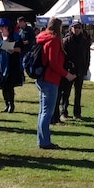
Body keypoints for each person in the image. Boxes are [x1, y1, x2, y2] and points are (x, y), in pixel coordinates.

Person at [35, 18, 76, 150]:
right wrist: (67, 74)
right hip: (50, 79)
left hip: (42, 78)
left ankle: (42, 139)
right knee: (47, 111)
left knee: (43, 111)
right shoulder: (53, 40)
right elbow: (54, 63)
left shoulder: (43, 37)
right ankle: (45, 141)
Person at [60, 21, 91, 120]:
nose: (77, 29)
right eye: (75, 27)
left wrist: (86, 68)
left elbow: (87, 56)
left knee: (78, 93)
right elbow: (63, 55)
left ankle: (77, 113)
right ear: (71, 28)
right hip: (69, 70)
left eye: (79, 27)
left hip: (80, 69)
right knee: (66, 92)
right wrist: (66, 67)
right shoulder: (67, 40)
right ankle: (64, 112)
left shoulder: (84, 41)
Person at [0, 18, 22, 113]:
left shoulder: (15, 36)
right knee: (3, 85)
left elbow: (20, 48)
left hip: (12, 64)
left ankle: (11, 105)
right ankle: (6, 104)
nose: (0, 28)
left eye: (2, 26)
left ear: (7, 27)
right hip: (1, 63)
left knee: (10, 85)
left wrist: (12, 48)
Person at [15, 16, 34, 88]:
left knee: (27, 64)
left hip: (28, 50)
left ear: (23, 22)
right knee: (21, 64)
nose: (19, 24)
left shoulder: (29, 29)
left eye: (19, 23)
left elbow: (32, 39)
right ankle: (22, 77)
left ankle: (31, 74)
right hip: (21, 50)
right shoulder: (20, 31)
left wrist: (27, 42)